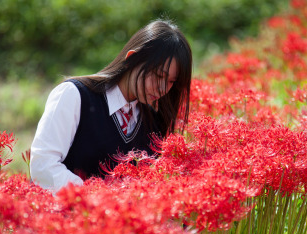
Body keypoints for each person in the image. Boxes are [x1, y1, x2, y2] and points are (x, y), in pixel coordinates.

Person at [30, 19, 192, 193]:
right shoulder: (75, 95)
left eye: (170, 82)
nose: (162, 89)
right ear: (132, 59)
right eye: (158, 76)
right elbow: (43, 165)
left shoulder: (154, 121)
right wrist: (99, 199)